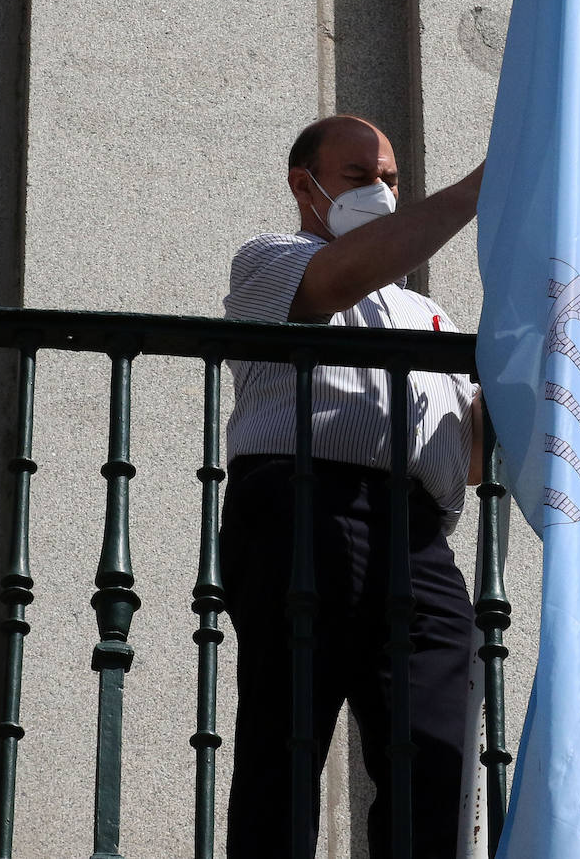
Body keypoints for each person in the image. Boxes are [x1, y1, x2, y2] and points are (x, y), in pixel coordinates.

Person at [219, 114, 485, 858]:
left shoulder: (432, 314)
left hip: (419, 533)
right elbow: (338, 278)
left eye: (392, 180)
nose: (383, 193)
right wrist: (475, 194)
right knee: (287, 740)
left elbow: (468, 455)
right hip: (301, 504)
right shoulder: (270, 259)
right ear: (304, 187)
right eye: (360, 178)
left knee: (436, 749)